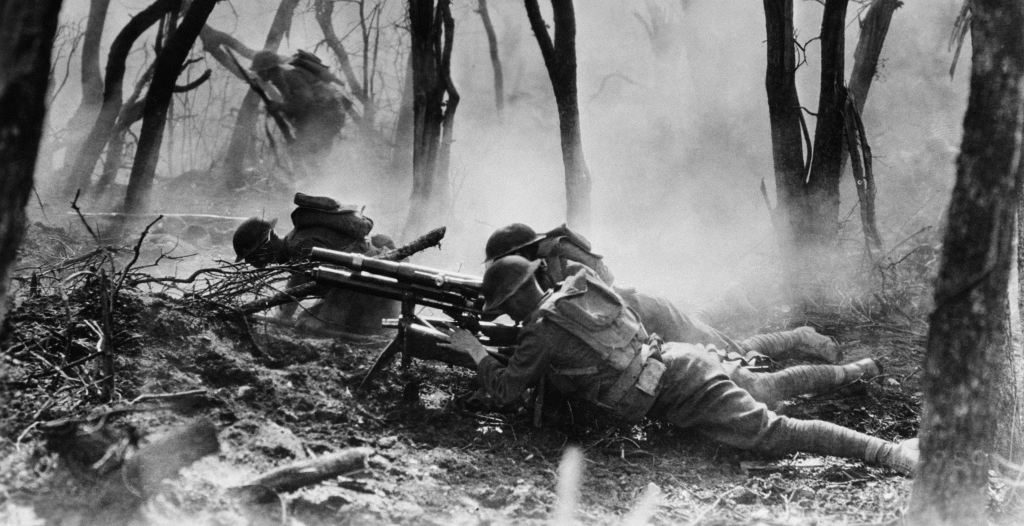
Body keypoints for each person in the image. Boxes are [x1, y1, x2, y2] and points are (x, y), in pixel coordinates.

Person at [445, 257, 918, 474]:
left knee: (774, 431)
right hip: (676, 360)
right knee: (767, 388)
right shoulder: (575, 294)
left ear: (513, 299)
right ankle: (860, 372)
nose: (506, 314)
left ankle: (891, 453)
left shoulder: (541, 332)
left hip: (677, 386)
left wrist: (475, 351)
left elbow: (506, 392)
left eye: (504, 306)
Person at [484, 223, 840, 364]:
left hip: (645, 313)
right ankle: (732, 300)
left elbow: (605, 279)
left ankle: (800, 335)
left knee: (731, 352)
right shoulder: (532, 278)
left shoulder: (557, 254)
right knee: (705, 333)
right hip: (635, 329)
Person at [232, 193, 398, 335]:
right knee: (304, 321)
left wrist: (325, 320)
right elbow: (297, 284)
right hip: (365, 290)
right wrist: (282, 315)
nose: (252, 263)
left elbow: (343, 277)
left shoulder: (302, 246)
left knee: (317, 330)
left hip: (380, 294)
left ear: (265, 246)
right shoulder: (295, 246)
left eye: (252, 257)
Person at [251, 49, 348, 166]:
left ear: (267, 70)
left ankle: (324, 181)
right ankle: (320, 181)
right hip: (324, 117)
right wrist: (276, 110)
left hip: (325, 117)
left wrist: (280, 107)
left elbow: (305, 100)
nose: (259, 74)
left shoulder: (289, 76)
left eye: (259, 71)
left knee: (307, 154)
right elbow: (296, 104)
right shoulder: (281, 78)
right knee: (307, 155)